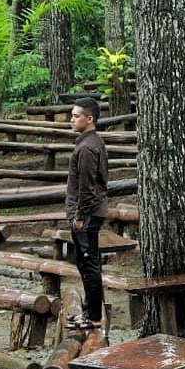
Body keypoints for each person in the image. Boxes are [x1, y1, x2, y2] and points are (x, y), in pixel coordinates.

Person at [65, 97, 109, 330]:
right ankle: (92, 312)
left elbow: (87, 185)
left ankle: (93, 317)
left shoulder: (88, 147)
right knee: (87, 264)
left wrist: (80, 216)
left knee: (88, 263)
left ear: (89, 119)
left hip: (88, 214)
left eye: (75, 116)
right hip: (89, 212)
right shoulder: (89, 143)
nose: (71, 120)